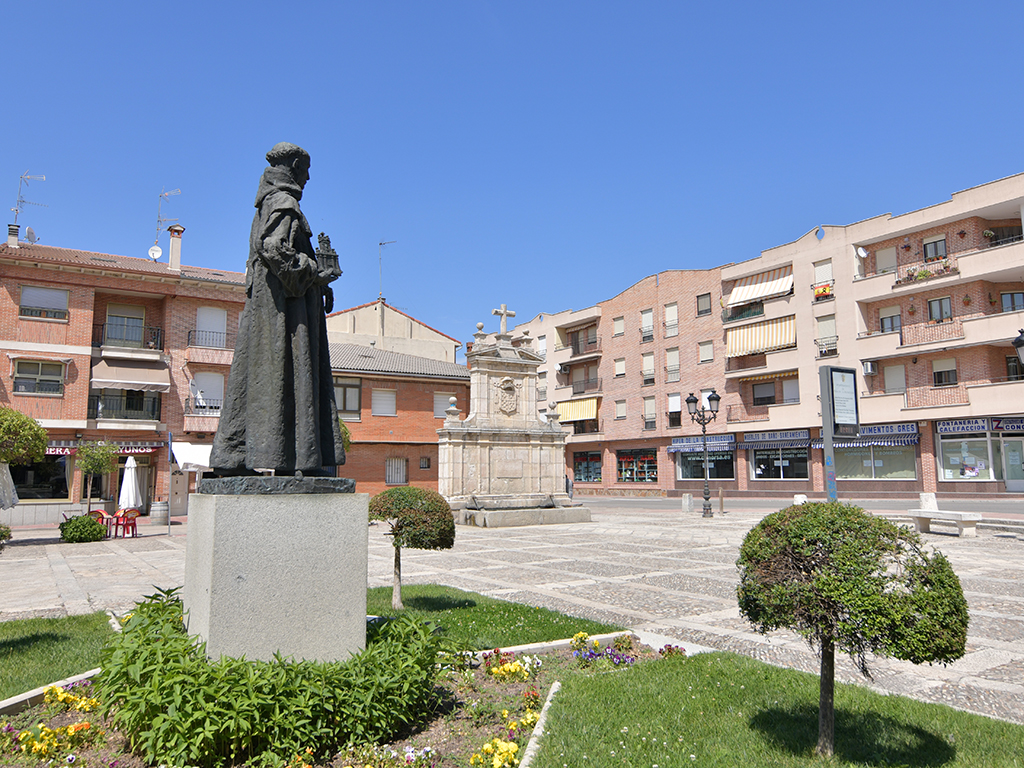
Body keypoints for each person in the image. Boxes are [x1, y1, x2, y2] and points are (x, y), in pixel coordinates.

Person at [210, 143, 345, 476]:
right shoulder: (284, 202)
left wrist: (320, 286)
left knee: (261, 376)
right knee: (287, 375)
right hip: (286, 313)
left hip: (271, 307)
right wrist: (314, 274)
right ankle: (294, 460)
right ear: (296, 165)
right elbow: (274, 249)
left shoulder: (267, 203)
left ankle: (241, 456)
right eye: (306, 169)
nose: (309, 177)